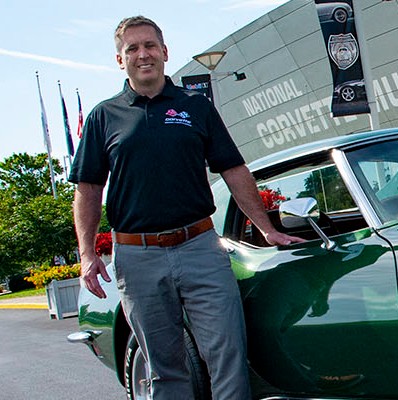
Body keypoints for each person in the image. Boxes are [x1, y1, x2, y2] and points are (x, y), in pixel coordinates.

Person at [70, 15, 304, 399]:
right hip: (137, 256)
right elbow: (88, 188)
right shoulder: (103, 117)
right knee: (165, 369)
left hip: (200, 249)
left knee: (228, 357)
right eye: (132, 49)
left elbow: (232, 168)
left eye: (149, 46)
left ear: (164, 52)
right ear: (120, 60)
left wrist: (266, 228)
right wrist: (86, 254)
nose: (142, 54)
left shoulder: (195, 106)